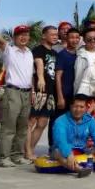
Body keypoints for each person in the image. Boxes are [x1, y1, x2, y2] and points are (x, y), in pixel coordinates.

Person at [0, 22, 34, 167]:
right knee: (9, 126)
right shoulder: (10, 50)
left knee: (22, 127)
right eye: (20, 35)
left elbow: (30, 75)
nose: (23, 37)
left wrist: (32, 92)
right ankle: (3, 157)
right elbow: (1, 41)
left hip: (27, 92)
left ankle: (17, 155)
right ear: (14, 38)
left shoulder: (29, 53)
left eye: (26, 35)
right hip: (13, 92)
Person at [27, 25, 58, 160]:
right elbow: (39, 63)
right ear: (44, 36)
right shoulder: (37, 50)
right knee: (31, 122)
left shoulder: (55, 53)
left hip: (51, 92)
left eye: (56, 34)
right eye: (52, 34)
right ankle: (27, 151)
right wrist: (40, 78)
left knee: (42, 123)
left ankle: (30, 150)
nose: (55, 37)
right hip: (39, 90)